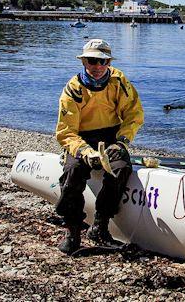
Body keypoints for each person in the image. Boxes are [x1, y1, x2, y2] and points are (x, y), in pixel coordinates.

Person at [54, 39, 144, 254]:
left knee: (121, 169)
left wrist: (122, 141)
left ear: (108, 62)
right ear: (84, 61)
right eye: (92, 61)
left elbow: (133, 114)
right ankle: (73, 229)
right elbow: (66, 132)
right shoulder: (73, 89)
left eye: (102, 61)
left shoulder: (118, 81)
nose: (97, 66)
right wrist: (85, 153)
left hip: (112, 137)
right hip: (81, 138)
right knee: (73, 172)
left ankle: (100, 226)